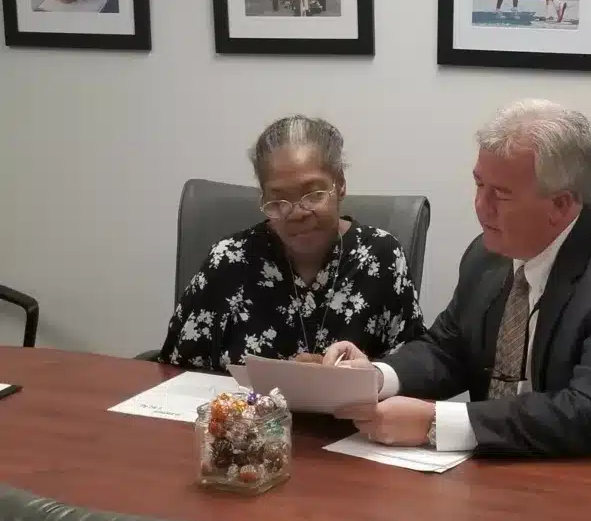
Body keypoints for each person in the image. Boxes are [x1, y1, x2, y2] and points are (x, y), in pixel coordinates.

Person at [323, 100, 591, 455]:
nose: (480, 206)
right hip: (511, 464)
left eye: (501, 195)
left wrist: (435, 424)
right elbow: (447, 350)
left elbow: (589, 412)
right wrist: (373, 378)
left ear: (561, 204)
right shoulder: (486, 254)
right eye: (478, 185)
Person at [159, 116, 424, 370]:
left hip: (353, 416)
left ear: (340, 184)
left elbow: (412, 370)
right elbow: (176, 371)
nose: (297, 213)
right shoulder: (229, 260)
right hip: (245, 415)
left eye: (313, 194)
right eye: (279, 200)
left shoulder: (382, 256)